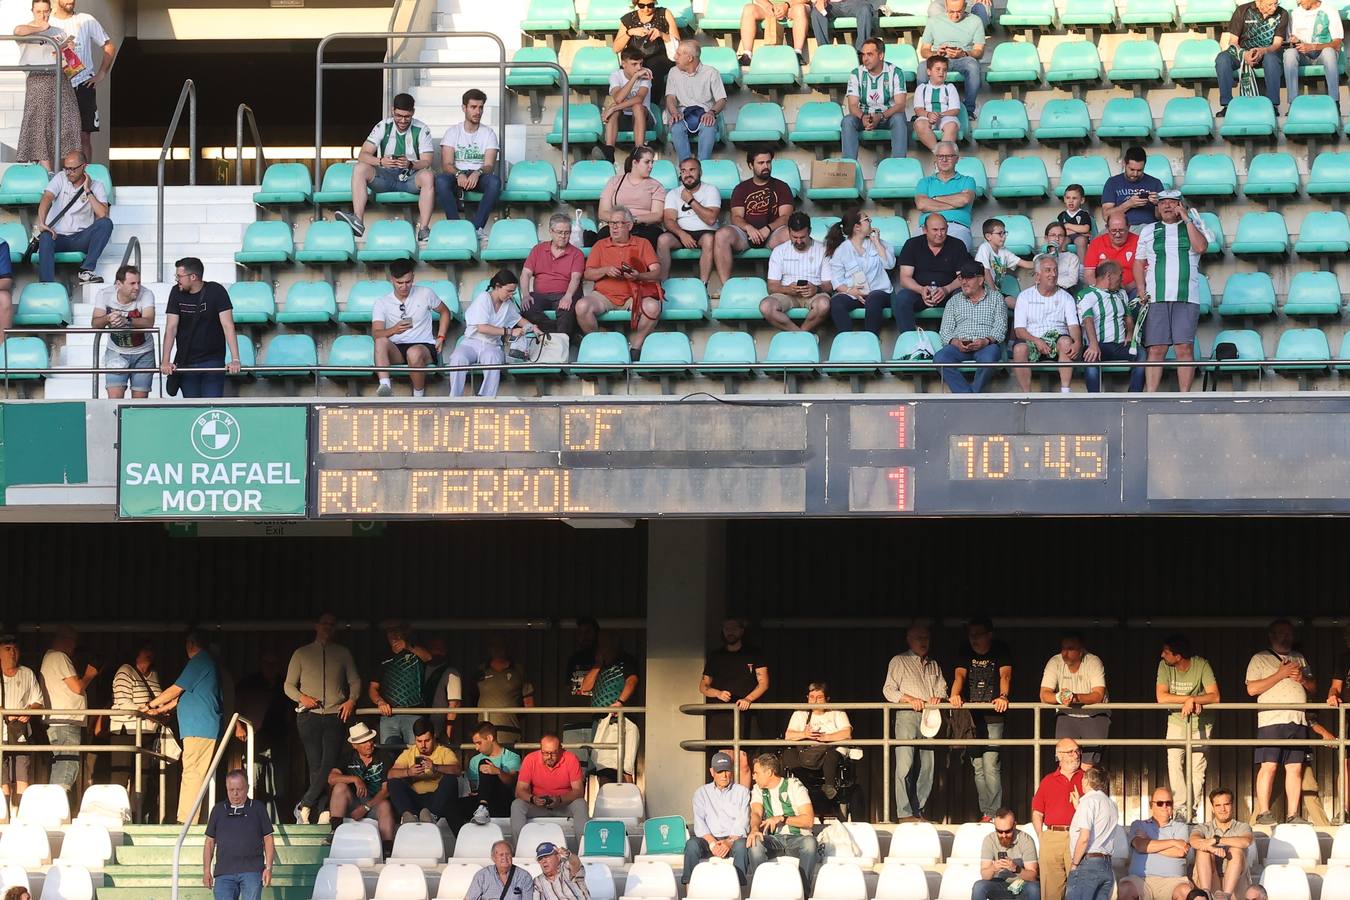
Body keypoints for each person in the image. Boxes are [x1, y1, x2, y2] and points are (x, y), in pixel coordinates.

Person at [285, 612, 361, 826]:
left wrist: (351, 700)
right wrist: (302, 698)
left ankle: (306, 805)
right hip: (309, 716)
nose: (328, 627)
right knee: (315, 766)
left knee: (328, 764)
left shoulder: (343, 653)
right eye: (324, 623)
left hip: (335, 714)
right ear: (316, 626)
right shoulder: (302, 653)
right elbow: (288, 685)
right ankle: (321, 810)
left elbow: (355, 681)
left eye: (332, 624)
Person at [142, 630, 222, 825]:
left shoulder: (200, 660)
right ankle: (187, 818)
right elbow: (180, 698)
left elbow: (175, 690)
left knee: (192, 772)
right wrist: (159, 710)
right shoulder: (203, 663)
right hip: (197, 727)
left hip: (200, 727)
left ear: (191, 644)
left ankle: (186, 820)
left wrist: (150, 705)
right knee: (192, 771)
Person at [1134, 189, 1210, 395]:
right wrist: (1141, 290)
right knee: (1156, 348)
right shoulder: (1148, 230)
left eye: (1173, 202)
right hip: (1156, 297)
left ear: (1180, 205)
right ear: (1157, 207)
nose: (1167, 205)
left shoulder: (1192, 227)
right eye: (1163, 202)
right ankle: (1151, 395)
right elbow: (1139, 263)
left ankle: (1184, 396)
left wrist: (1186, 218)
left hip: (1186, 297)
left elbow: (1201, 248)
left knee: (1184, 348)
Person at [335, 93, 435, 241]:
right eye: (398, 115)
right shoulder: (383, 125)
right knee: (360, 168)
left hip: (410, 177)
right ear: (392, 110)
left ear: (413, 112)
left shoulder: (421, 128)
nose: (402, 120)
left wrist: (411, 164)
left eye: (407, 116)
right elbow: (363, 155)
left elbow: (427, 161)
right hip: (386, 177)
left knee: (428, 176)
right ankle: (358, 220)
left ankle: (424, 229)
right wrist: (381, 161)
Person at [1245, 618, 1315, 824]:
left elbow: (1313, 686)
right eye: (1282, 634)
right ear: (1272, 636)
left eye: (1289, 634)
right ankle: (1264, 812)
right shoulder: (1259, 658)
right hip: (1272, 720)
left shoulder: (1299, 657)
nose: (1286, 638)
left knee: (1295, 767)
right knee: (1269, 766)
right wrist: (1280, 674)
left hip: (1297, 720)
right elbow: (1252, 689)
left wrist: (1302, 679)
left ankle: (1293, 814)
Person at [576, 208, 663, 360]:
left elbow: (657, 272)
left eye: (618, 223)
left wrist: (639, 275)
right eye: (611, 223)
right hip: (604, 296)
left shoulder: (643, 243)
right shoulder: (600, 245)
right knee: (581, 306)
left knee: (653, 307)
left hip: (634, 296)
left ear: (629, 225)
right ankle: (599, 345)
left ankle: (636, 347)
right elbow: (587, 274)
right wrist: (605, 270)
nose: (613, 227)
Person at [949, 617, 1013, 820]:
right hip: (971, 717)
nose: (974, 639)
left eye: (978, 635)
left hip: (993, 715)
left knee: (990, 764)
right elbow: (959, 676)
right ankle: (987, 812)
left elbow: (1005, 676)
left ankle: (995, 814)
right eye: (971, 635)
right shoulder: (965, 650)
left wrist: (1003, 696)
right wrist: (954, 695)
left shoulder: (1000, 649)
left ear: (989, 635)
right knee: (978, 766)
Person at [882, 624, 947, 821]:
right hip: (907, 715)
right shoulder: (899, 660)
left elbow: (943, 688)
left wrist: (938, 697)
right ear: (909, 640)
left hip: (930, 716)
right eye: (919, 638)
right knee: (905, 765)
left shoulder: (933, 664)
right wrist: (909, 699)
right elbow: (889, 690)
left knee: (928, 766)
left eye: (926, 637)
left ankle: (918, 812)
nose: (923, 641)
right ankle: (904, 813)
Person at [1156, 635, 1220, 824]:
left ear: (1178, 656)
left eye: (1166, 652)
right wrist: (1189, 700)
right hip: (1177, 721)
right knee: (1174, 762)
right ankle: (1180, 808)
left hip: (1201, 723)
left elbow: (1215, 696)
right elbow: (1161, 697)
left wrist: (1194, 700)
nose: (1162, 655)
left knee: (1197, 768)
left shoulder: (1201, 665)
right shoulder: (1164, 666)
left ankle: (1190, 811)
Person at [699, 616, 769, 789]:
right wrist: (718, 693)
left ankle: (743, 799)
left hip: (746, 715)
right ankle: (725, 799)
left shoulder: (754, 653)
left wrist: (748, 699)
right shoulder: (716, 656)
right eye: (726, 629)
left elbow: (764, 682)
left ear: (741, 631)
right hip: (721, 716)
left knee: (744, 761)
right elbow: (703, 686)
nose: (730, 632)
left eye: (733, 628)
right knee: (725, 761)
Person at [159, 257, 242, 399]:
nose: (177, 279)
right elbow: (171, 328)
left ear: (193, 277)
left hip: (212, 360)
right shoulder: (176, 292)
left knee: (212, 405)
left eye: (179, 276)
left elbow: (228, 325)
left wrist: (235, 359)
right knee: (193, 407)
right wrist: (165, 360)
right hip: (186, 360)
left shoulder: (216, 291)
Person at [713, 149, 793, 294]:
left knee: (790, 234)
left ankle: (787, 286)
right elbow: (736, 217)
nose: (765, 166)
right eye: (761, 163)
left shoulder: (782, 187)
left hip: (773, 234)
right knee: (722, 234)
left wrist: (768, 228)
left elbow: (786, 217)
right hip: (745, 234)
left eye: (768, 162)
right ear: (751, 165)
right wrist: (749, 228)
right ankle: (726, 288)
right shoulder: (741, 188)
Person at [13, 0, 80, 173]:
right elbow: (17, 31)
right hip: (39, 79)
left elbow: (70, 63)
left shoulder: (59, 31)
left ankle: (68, 170)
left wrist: (69, 50)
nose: (42, 15)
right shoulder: (26, 29)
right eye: (38, 11)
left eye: (45, 11)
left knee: (70, 121)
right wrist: (40, 29)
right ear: (32, 11)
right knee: (40, 124)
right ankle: (46, 171)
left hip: (60, 79)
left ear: (50, 10)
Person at [35, 148, 110, 284]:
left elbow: (103, 214)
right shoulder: (60, 177)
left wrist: (88, 190)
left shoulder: (97, 186)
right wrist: (42, 223)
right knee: (45, 236)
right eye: (66, 168)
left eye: (73, 169)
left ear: (84, 167)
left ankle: (86, 271)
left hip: (80, 238)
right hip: (57, 236)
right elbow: (47, 197)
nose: (68, 172)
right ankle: (46, 285)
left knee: (106, 223)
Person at [49, 0, 111, 162]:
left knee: (84, 135)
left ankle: (85, 173)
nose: (70, 1)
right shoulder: (48, 21)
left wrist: (101, 73)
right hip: (57, 85)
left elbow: (109, 46)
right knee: (58, 135)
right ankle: (61, 174)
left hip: (83, 83)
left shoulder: (86, 19)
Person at [449, 269, 526, 399]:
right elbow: (482, 328)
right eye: (508, 291)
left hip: (492, 345)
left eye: (513, 292)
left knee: (492, 358)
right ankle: (454, 399)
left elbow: (519, 320)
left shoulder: (508, 304)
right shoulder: (483, 298)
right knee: (458, 358)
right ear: (497, 287)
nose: (511, 295)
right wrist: (510, 331)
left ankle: (487, 399)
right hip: (471, 342)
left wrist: (534, 328)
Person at [436, 88, 500, 242]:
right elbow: (446, 164)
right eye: (473, 107)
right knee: (441, 180)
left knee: (494, 182)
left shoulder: (488, 133)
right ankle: (456, 227)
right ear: (464, 108)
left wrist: (478, 173)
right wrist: (459, 174)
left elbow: (489, 165)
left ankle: (476, 229)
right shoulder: (453, 132)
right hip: (457, 174)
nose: (478, 112)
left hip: (478, 175)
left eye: (481, 107)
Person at [1012, 256, 1082, 393]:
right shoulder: (1024, 296)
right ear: (1038, 276)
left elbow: (1073, 326)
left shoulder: (1066, 297)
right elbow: (1019, 330)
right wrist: (1036, 341)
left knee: (1066, 342)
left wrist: (1078, 342)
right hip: (1032, 340)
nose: (1053, 274)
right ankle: (1026, 395)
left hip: (1057, 341)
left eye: (1055, 270)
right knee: (1019, 349)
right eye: (1048, 270)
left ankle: (1065, 392)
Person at [895, 213, 974, 334]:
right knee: (902, 298)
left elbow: (963, 277)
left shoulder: (957, 245)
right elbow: (905, 278)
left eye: (943, 229)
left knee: (962, 294)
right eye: (935, 230)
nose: (940, 234)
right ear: (925, 230)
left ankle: (959, 338)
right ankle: (909, 339)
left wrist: (946, 289)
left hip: (948, 294)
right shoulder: (912, 244)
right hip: (920, 293)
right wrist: (921, 290)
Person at [202, 770, 275, 900]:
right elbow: (209, 842)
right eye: (231, 790)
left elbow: (268, 839)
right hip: (224, 873)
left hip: (252, 871)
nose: (235, 794)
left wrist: (268, 868)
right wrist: (206, 871)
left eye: (239, 789)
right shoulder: (218, 810)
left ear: (247, 788)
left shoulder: (258, 808)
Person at [935, 262, 1007, 394]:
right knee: (940, 358)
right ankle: (967, 395)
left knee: (989, 358)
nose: (964, 282)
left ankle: (972, 395)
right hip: (959, 346)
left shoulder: (996, 298)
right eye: (962, 278)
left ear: (980, 280)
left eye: (968, 278)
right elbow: (945, 331)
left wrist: (986, 341)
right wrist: (956, 342)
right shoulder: (954, 301)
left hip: (986, 345)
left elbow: (1000, 328)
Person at [1039, 632, 1109, 768]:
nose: (1065, 653)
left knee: (1087, 766)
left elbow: (1098, 695)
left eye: (1070, 649)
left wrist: (1075, 697)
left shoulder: (1093, 661)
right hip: (1067, 714)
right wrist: (1059, 697)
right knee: (1066, 763)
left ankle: (1086, 782)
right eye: (1063, 648)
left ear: (1081, 651)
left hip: (1094, 714)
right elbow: (1043, 695)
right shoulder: (1055, 662)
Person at [40, 624, 95, 794]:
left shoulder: (49, 657)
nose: (74, 646)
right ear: (65, 640)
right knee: (67, 765)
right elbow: (77, 687)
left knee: (62, 763)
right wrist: (89, 675)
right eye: (73, 641)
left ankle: (55, 801)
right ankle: (56, 802)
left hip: (58, 721)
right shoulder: (59, 657)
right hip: (65, 721)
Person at [825, 208, 896, 336]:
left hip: (880, 292)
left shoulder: (880, 243)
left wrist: (877, 242)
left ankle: (871, 338)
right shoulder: (842, 250)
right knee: (836, 302)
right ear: (857, 227)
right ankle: (846, 338)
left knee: (873, 299)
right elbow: (836, 280)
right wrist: (850, 291)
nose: (870, 221)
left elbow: (889, 264)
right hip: (855, 294)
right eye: (867, 219)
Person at [109, 644, 161, 818]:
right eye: (146, 650)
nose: (150, 653)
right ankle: (116, 814)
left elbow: (159, 698)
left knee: (143, 776)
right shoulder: (125, 671)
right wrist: (147, 710)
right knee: (121, 774)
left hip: (146, 731)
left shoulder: (154, 674)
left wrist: (160, 711)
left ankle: (135, 814)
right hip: (125, 730)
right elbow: (123, 701)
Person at [684, 752, 751, 884]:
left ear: (732, 771)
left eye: (727, 770)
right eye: (720, 771)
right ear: (712, 772)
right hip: (709, 840)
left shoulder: (742, 792)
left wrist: (728, 842)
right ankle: (689, 887)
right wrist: (713, 844)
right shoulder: (701, 793)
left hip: (733, 839)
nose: (724, 775)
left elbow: (742, 822)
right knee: (691, 845)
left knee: (741, 846)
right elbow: (700, 823)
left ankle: (739, 889)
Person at [1078, 259, 1144, 394]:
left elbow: (1128, 317)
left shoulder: (1121, 293)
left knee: (1141, 353)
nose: (1122, 279)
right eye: (1120, 275)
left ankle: (1134, 396)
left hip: (1120, 345)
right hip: (1099, 345)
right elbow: (1088, 319)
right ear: (1109, 276)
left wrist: (1129, 334)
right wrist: (1093, 344)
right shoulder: (1086, 294)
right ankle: (1094, 398)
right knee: (1091, 357)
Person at [1118, 787, 1195, 900]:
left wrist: (1148, 841)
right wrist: (1173, 841)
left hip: (1173, 882)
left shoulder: (1181, 827)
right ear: (1151, 805)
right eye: (1160, 803)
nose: (1164, 806)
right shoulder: (1139, 825)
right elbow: (1141, 846)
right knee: (1126, 889)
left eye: (1168, 803)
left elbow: (1179, 852)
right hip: (1141, 880)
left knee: (1185, 891)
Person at [1032, 738, 1085, 900]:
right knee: (1051, 891)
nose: (1076, 755)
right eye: (1070, 752)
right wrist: (1042, 837)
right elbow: (1037, 813)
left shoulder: (1087, 779)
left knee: (1079, 888)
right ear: (1059, 756)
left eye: (1077, 751)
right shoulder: (1048, 781)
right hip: (1052, 837)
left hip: (1078, 836)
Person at [761, 211, 832, 332]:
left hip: (814, 295)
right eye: (794, 237)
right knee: (766, 307)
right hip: (786, 295)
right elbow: (772, 286)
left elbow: (829, 285)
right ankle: (802, 335)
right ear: (789, 232)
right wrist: (787, 289)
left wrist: (816, 289)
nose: (798, 241)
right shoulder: (779, 251)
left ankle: (800, 334)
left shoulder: (823, 250)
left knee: (824, 305)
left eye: (802, 237)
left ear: (809, 231)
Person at [92, 265, 155, 399]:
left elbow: (149, 322)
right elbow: (95, 323)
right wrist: (108, 318)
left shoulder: (146, 294)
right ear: (119, 284)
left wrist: (127, 320)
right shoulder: (104, 294)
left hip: (143, 352)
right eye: (132, 283)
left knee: (139, 404)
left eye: (138, 283)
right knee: (114, 401)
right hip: (116, 351)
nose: (137, 287)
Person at [1215, 0, 1288, 116]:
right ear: (1259, 2)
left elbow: (1277, 44)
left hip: (1267, 52)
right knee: (1222, 59)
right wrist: (1244, 54)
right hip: (1242, 51)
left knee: (1272, 59)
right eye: (1270, 4)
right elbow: (1233, 42)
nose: (1274, 8)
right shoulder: (1243, 10)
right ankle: (1227, 105)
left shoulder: (1282, 13)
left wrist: (1263, 51)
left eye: (1276, 3)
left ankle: (1272, 105)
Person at [327, 722, 395, 844]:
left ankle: (387, 848)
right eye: (364, 742)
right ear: (354, 745)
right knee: (340, 787)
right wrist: (355, 779)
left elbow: (386, 790)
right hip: (353, 804)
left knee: (385, 805)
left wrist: (366, 807)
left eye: (370, 740)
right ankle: (335, 832)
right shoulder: (348, 757)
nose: (369, 744)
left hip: (375, 804)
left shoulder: (384, 756)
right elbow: (331, 778)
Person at [368, 621, 432, 749]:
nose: (393, 635)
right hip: (389, 716)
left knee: (415, 752)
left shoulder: (414, 652)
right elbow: (373, 688)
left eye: (396, 631)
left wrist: (407, 646)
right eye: (390, 632)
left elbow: (428, 657)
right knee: (389, 752)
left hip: (414, 714)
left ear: (404, 633)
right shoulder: (382, 657)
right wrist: (380, 702)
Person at [917, 0, 985, 120]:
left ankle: (968, 110)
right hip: (940, 58)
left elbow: (979, 51)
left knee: (973, 65)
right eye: (951, 12)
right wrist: (936, 53)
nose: (955, 15)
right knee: (923, 67)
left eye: (959, 11)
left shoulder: (975, 21)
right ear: (946, 6)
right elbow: (924, 50)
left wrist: (964, 53)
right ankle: (922, 110)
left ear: (965, 7)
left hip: (963, 59)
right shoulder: (934, 21)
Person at [781, 682, 852, 797]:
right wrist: (804, 734)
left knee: (833, 754)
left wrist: (826, 738)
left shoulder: (837, 711)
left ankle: (829, 787)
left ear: (827, 699)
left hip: (830, 750)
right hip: (807, 753)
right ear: (807, 698)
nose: (815, 701)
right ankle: (805, 787)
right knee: (788, 754)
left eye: (819, 698)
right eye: (812, 697)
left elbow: (847, 733)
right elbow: (788, 735)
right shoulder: (800, 713)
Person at [388, 716, 461, 826]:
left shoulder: (444, 752)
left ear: (434, 737)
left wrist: (436, 767)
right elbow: (390, 774)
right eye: (419, 741)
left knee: (450, 779)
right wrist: (408, 772)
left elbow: (457, 770)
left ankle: (432, 816)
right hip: (416, 799)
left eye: (427, 741)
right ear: (415, 739)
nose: (423, 745)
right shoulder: (409, 753)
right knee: (393, 782)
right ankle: (409, 816)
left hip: (437, 799)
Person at [842, 38, 907, 161]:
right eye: (863, 55)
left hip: (887, 116)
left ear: (881, 55)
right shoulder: (856, 73)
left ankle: (900, 164)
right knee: (848, 121)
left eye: (869, 54)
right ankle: (848, 167)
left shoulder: (896, 72)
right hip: (864, 116)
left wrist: (881, 116)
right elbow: (852, 105)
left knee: (899, 118)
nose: (865, 59)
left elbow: (900, 105)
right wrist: (863, 117)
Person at [511, 733, 588, 837]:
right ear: (540, 749)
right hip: (538, 805)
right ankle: (519, 845)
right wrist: (532, 799)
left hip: (564, 804)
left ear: (560, 749)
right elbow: (519, 790)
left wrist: (560, 799)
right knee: (517, 805)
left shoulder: (571, 758)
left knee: (581, 804)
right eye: (545, 753)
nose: (549, 757)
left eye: (553, 753)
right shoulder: (530, 759)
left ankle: (583, 845)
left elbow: (578, 791)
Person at [658, 157, 720, 284]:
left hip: (705, 232)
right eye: (683, 171)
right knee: (663, 240)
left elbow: (711, 219)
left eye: (692, 170)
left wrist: (690, 200)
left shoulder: (711, 190)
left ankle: (703, 284)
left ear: (700, 172)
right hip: (681, 232)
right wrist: (682, 234)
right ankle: (662, 285)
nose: (687, 174)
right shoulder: (673, 193)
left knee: (709, 239)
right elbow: (669, 220)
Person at [522, 214, 586, 336]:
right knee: (527, 307)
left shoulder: (577, 253)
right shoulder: (538, 249)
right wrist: (525, 294)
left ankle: (559, 341)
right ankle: (557, 334)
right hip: (541, 295)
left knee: (566, 310)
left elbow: (576, 278)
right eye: (559, 232)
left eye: (567, 233)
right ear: (551, 231)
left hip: (564, 293)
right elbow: (525, 273)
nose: (563, 236)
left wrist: (568, 296)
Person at [0, 633, 43, 809]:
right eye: (7, 649)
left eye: (15, 649)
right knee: (2, 776)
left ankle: (21, 812)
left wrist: (29, 712)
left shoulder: (27, 673)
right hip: (1, 733)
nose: (12, 653)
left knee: (22, 773)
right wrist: (4, 713)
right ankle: (5, 814)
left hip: (20, 732)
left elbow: (38, 702)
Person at [665, 41, 727, 162]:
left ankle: (703, 166)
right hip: (682, 114)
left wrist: (711, 113)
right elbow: (670, 97)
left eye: (678, 54)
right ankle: (685, 167)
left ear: (689, 58)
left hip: (704, 114)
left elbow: (722, 100)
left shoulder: (711, 72)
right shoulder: (673, 72)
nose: (675, 57)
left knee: (708, 125)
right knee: (676, 127)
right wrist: (674, 113)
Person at [1190, 788, 1254, 898]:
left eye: (1226, 804)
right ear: (1213, 808)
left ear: (1232, 805)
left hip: (1236, 883)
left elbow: (1246, 841)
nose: (1223, 809)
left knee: (1236, 851)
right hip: (1210, 878)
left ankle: (1226, 896)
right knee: (1203, 851)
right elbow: (1193, 841)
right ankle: (1206, 894)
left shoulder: (1242, 827)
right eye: (1218, 805)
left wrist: (1217, 840)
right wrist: (1212, 849)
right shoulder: (1203, 827)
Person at [1065, 766, 1118, 900]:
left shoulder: (1088, 801)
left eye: (1083, 778)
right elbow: (1099, 825)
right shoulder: (1111, 804)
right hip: (1106, 864)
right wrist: (1078, 806)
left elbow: (1084, 838)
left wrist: (1075, 864)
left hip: (1088, 864)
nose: (1081, 781)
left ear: (1087, 781)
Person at [598, 145, 666, 246]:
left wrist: (633, 220)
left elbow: (657, 215)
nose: (651, 166)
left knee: (651, 237)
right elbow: (602, 213)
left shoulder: (656, 186)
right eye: (647, 162)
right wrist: (620, 221)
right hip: (617, 225)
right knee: (602, 235)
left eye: (652, 162)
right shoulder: (614, 181)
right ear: (634, 163)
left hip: (644, 227)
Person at [613, 0, 678, 104]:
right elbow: (616, 48)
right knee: (631, 66)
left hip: (660, 55)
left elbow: (677, 42)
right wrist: (630, 32)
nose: (646, 9)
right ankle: (628, 104)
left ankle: (652, 104)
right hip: (636, 56)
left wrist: (661, 34)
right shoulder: (629, 18)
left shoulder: (664, 13)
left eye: (650, 5)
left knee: (654, 67)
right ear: (636, 4)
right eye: (642, 5)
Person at [915, 142, 978, 249]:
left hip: (956, 228)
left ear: (957, 159)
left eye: (949, 156)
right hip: (927, 229)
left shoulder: (967, 180)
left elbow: (964, 199)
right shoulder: (925, 182)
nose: (944, 160)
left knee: (954, 251)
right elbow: (922, 204)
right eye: (940, 156)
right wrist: (955, 204)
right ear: (935, 159)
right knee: (913, 249)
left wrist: (934, 199)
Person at [475, 640, 535, 746]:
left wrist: (513, 717)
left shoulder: (518, 670)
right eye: (494, 645)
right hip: (484, 734)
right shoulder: (480, 671)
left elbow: (529, 703)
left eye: (501, 645)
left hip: (510, 732)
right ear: (489, 648)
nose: (497, 649)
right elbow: (472, 698)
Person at [1284, 0, 1342, 110]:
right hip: (1303, 55)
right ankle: (1293, 104)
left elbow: (1337, 43)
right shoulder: (1295, 13)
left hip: (1323, 54)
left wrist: (1313, 46)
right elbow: (1291, 42)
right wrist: (1295, 41)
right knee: (1289, 53)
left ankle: (1334, 102)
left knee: (1329, 52)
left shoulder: (1330, 11)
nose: (1298, 1)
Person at [973, 808, 1042, 900]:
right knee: (979, 887)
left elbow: (1032, 876)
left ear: (1014, 825)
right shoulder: (989, 840)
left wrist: (1016, 869)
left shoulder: (1026, 840)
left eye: (1008, 831)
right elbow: (984, 875)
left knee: (1034, 888)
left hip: (1022, 884)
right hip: (999, 883)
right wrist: (994, 868)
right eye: (999, 831)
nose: (1004, 835)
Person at [463, 720, 521, 821]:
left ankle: (483, 807)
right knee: (451, 805)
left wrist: (497, 771)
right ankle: (465, 829)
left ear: (490, 738)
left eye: (479, 743)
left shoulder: (512, 757)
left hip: (503, 800)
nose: (476, 748)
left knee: (484, 763)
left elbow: (512, 782)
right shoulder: (474, 760)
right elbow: (474, 788)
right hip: (480, 799)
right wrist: (475, 792)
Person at [604, 48, 653, 165]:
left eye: (641, 63)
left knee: (637, 107)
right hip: (623, 118)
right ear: (623, 64)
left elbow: (639, 98)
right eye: (634, 64)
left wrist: (614, 107)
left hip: (643, 118)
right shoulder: (616, 75)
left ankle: (639, 151)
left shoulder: (645, 73)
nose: (639, 68)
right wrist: (634, 78)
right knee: (614, 111)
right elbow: (618, 98)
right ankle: (609, 153)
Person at [1101, 147, 1164, 232]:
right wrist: (1129, 204)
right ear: (1124, 164)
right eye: (1132, 169)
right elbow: (1106, 216)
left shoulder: (1155, 183)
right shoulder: (1113, 182)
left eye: (1140, 170)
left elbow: (1162, 218)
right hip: (1121, 229)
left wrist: (1158, 204)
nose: (1135, 174)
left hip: (1148, 228)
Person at [736, 0, 809, 67]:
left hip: (792, 6)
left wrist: (786, 5)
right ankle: (747, 55)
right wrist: (768, 6)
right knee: (749, 9)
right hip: (768, 8)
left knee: (800, 9)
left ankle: (797, 54)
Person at [579, 632, 640, 710]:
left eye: (605, 642)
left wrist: (620, 702)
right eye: (600, 643)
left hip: (616, 713)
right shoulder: (599, 665)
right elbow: (585, 688)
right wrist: (598, 664)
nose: (602, 647)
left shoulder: (625, 661)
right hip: (598, 715)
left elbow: (632, 681)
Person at [912, 57, 962, 151]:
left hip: (946, 116)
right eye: (938, 69)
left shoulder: (950, 87)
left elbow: (955, 110)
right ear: (929, 72)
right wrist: (929, 114)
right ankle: (937, 152)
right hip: (927, 116)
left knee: (952, 126)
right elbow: (918, 110)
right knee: (919, 125)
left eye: (944, 70)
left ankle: (944, 152)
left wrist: (939, 114)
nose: (941, 72)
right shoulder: (921, 88)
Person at [1084, 213, 1140, 296]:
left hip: (1132, 289)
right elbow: (1089, 274)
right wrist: (1102, 292)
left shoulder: (1139, 242)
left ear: (1128, 227)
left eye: (1121, 230)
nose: (1117, 235)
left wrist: (1125, 289)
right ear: (1107, 228)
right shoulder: (1096, 243)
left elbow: (1146, 272)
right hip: (1102, 292)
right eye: (1113, 231)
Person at [976, 218, 1032, 301]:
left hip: (997, 293)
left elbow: (1026, 264)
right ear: (988, 236)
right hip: (982, 293)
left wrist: (1043, 260)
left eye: (1004, 233)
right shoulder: (985, 248)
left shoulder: (1004, 251)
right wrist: (994, 295)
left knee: (1017, 304)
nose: (1004, 236)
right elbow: (985, 271)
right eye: (1000, 233)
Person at [465, 840, 536, 900]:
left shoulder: (524, 876)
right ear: (493, 858)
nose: (505, 857)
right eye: (501, 854)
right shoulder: (482, 875)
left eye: (508, 854)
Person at [1329, 625, 1350, 823]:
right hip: (1349, 717)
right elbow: (1335, 687)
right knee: (1345, 763)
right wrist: (1332, 695)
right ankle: (1345, 810)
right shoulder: (1344, 659)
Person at [810, 0, 877, 52]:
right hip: (831, 4)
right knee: (816, 12)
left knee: (865, 9)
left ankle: (862, 51)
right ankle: (824, 51)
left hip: (854, 3)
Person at [567, 619, 601, 704]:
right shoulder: (574, 659)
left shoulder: (605, 657)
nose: (584, 637)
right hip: (576, 708)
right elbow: (568, 686)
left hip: (598, 708)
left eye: (588, 632)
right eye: (580, 633)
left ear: (596, 633)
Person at [1043, 222, 1081, 291]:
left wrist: (1048, 280)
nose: (1057, 239)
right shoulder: (1041, 258)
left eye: (1060, 236)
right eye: (1053, 235)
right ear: (1046, 238)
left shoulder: (1072, 258)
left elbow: (1072, 281)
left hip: (1064, 292)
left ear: (1065, 239)